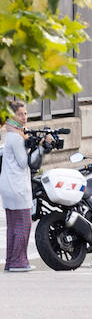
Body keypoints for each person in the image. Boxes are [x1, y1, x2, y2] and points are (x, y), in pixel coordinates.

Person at [3, 99, 33, 272]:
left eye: (25, 114)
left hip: (8, 185)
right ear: (12, 116)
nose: (24, 118)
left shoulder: (10, 134)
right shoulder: (16, 137)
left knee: (13, 226)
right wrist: (39, 149)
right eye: (20, 114)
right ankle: (19, 262)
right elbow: (23, 162)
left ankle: (11, 261)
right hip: (17, 187)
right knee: (23, 224)